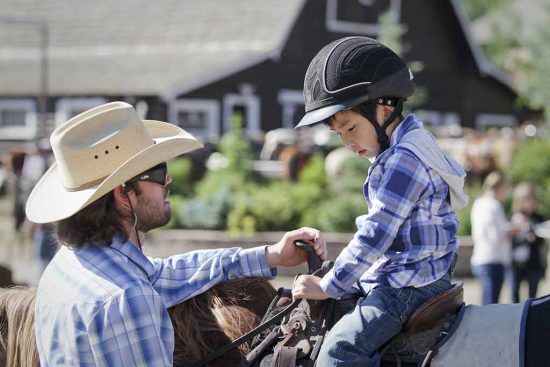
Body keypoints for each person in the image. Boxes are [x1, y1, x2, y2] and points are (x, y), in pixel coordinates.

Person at [25, 102, 327, 366]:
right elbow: (140, 288)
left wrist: (270, 255)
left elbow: (163, 273)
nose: (168, 178)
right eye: (156, 172)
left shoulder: (67, 265)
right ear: (122, 194)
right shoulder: (128, 297)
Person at [291, 36, 468, 366]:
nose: (347, 141)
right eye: (339, 134)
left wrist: (329, 285)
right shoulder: (409, 148)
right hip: (412, 276)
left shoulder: (404, 160)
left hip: (408, 288)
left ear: (384, 108)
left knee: (337, 352)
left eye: (351, 127)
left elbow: (375, 235)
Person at [470, 170, 513, 305]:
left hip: (480, 258)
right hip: (492, 260)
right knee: (491, 305)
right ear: (499, 187)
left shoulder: (479, 203)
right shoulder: (494, 205)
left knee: (486, 303)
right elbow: (496, 235)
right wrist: (514, 230)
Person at [510, 183, 547, 302]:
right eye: (525, 199)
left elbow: (543, 238)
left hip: (533, 263)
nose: (528, 202)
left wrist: (534, 235)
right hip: (515, 263)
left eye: (530, 198)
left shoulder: (539, 218)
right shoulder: (513, 217)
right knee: (515, 294)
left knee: (532, 298)